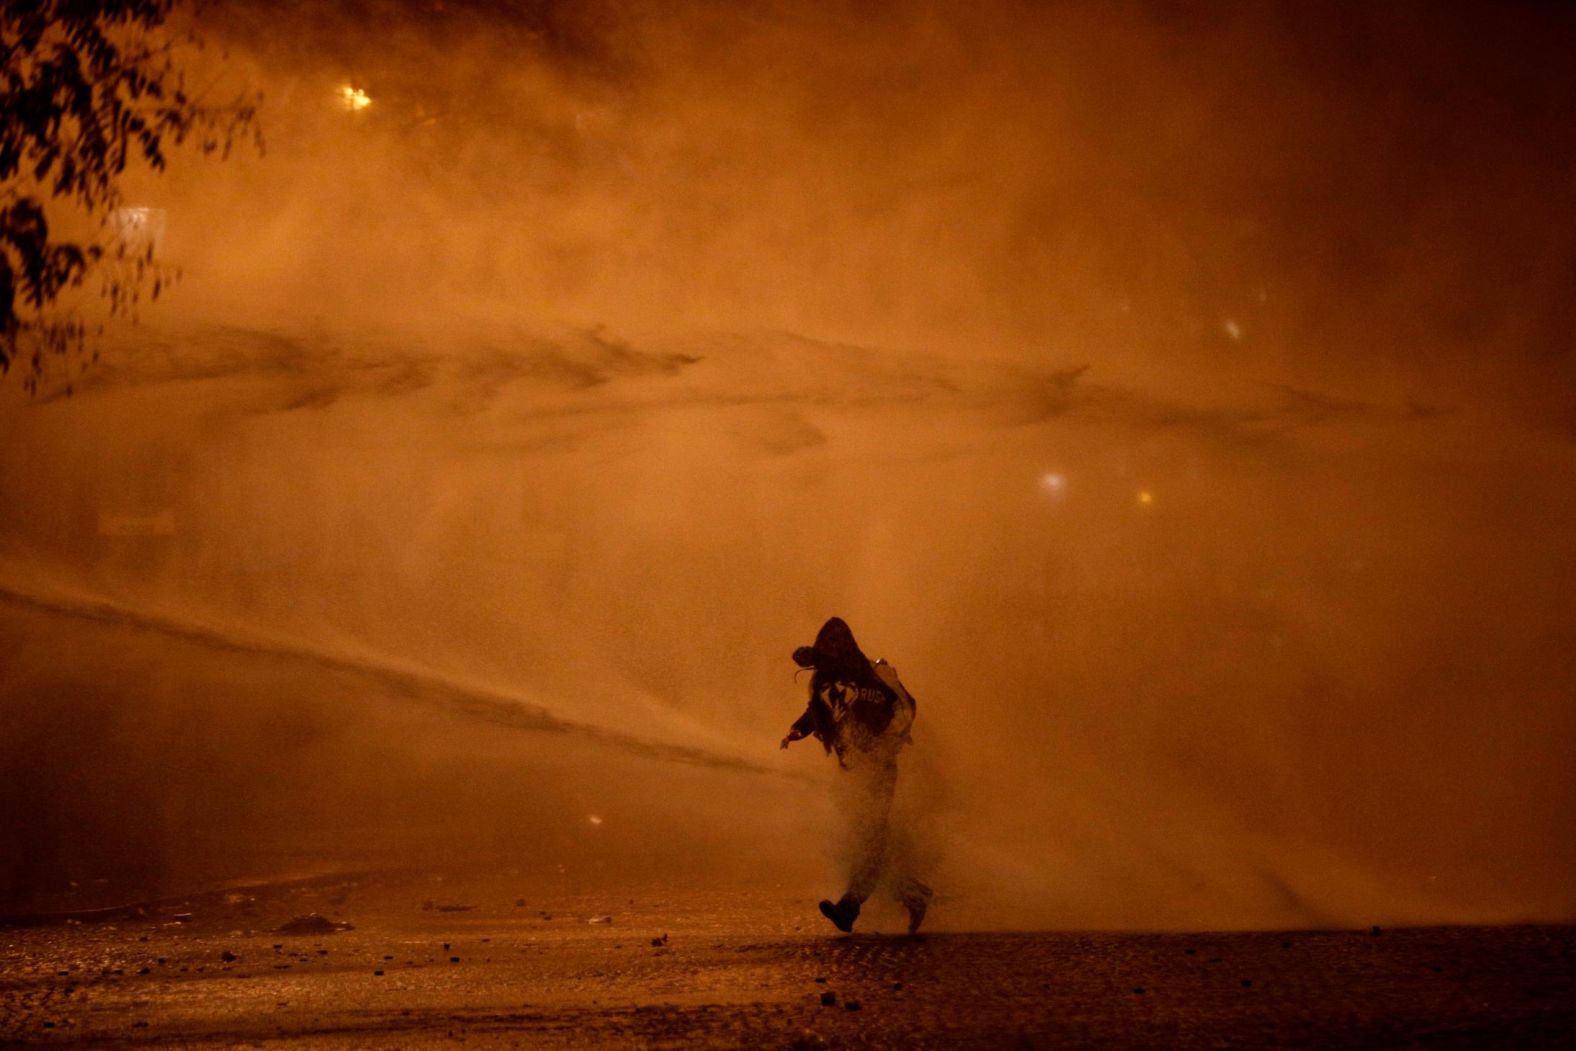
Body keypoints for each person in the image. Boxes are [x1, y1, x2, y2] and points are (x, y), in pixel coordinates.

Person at [780, 616, 933, 933]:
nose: (832, 650)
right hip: (849, 774)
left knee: (870, 838)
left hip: (878, 769)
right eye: (827, 644)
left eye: (837, 644)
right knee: (865, 840)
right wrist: (796, 731)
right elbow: (817, 711)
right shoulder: (822, 683)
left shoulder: (875, 675)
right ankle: (913, 893)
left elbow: (906, 707)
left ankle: (850, 906)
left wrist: (886, 746)